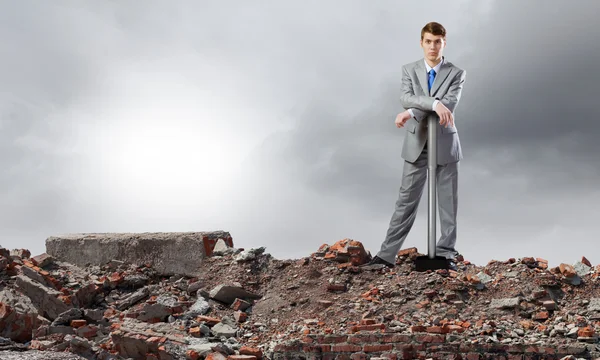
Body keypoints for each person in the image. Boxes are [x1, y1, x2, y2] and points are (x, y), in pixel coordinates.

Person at [365, 21, 466, 271]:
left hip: (445, 143)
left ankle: (445, 254)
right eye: (429, 41)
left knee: (447, 203)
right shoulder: (409, 70)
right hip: (416, 143)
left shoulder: (457, 73)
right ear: (421, 43)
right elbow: (405, 97)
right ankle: (386, 255)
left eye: (438, 41)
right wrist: (432, 104)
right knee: (405, 201)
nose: (433, 46)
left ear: (444, 43)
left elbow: (448, 106)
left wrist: (412, 110)